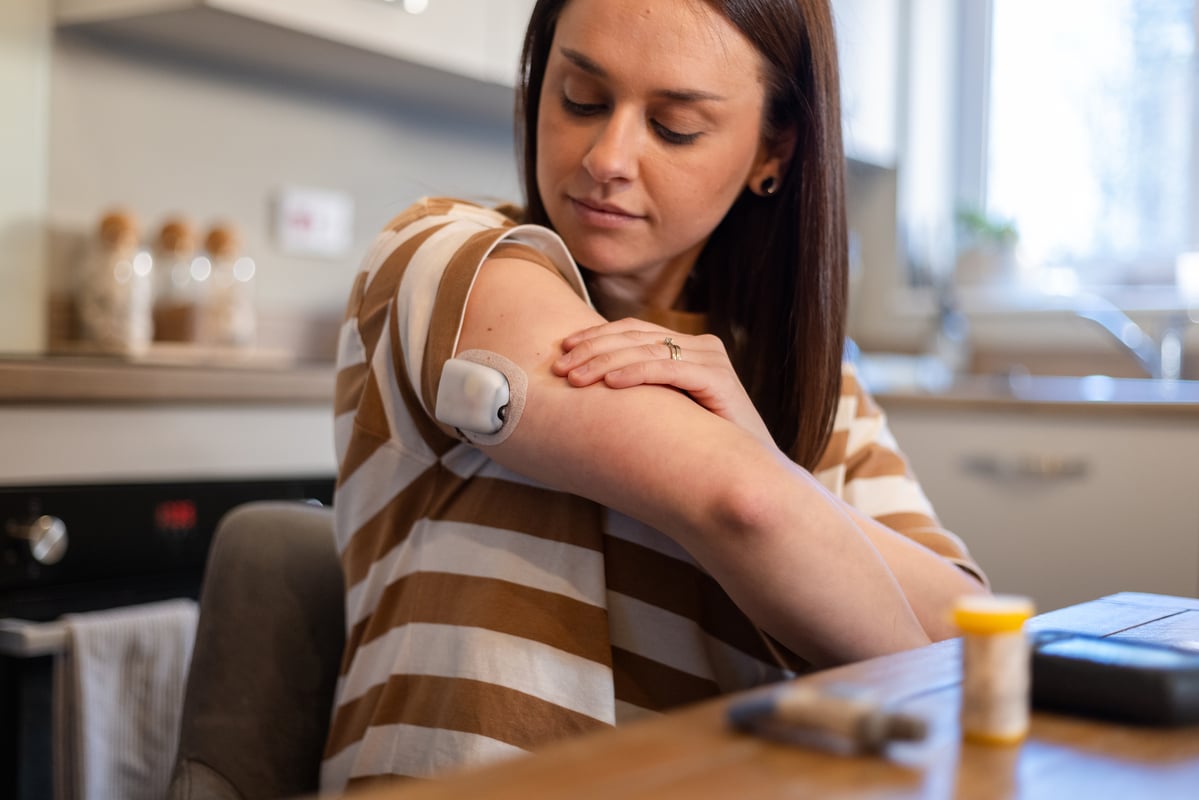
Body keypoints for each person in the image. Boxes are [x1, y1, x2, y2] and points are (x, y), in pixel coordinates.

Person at [321, 0, 989, 791]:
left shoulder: (816, 384)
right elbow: (743, 505)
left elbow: (969, 635)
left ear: (772, 149)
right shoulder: (444, 261)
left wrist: (769, 462)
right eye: (580, 98)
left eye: (673, 126)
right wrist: (766, 479)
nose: (607, 155)